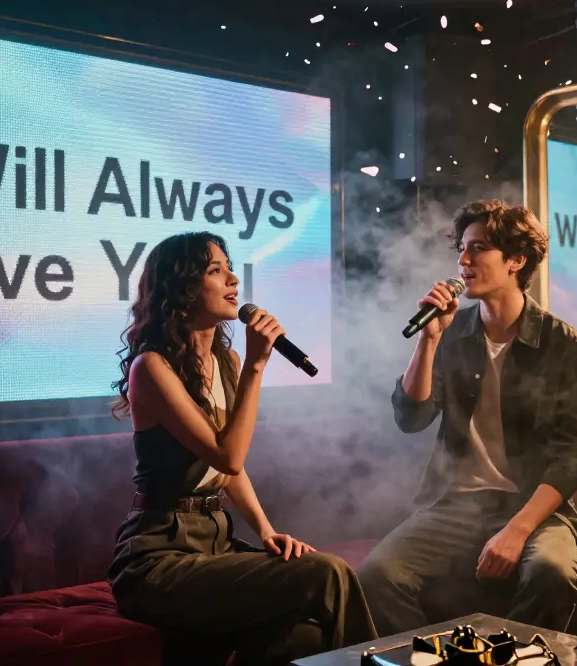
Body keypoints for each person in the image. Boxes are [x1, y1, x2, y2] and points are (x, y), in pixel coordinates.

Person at [106, 232, 378, 665]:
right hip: (157, 558)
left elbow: (230, 471)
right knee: (329, 573)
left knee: (300, 636)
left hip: (216, 542)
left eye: (229, 266)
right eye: (215, 270)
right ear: (182, 288)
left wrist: (266, 530)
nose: (234, 278)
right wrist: (257, 365)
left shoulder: (225, 362)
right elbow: (226, 455)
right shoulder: (152, 368)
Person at [358, 199, 577, 635]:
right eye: (462, 249)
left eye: (478, 248)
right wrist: (429, 341)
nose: (463, 261)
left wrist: (516, 530)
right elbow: (411, 419)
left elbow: (573, 457)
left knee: (553, 573)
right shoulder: (453, 335)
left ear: (516, 260)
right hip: (456, 504)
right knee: (376, 577)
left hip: (534, 507)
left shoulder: (564, 345)